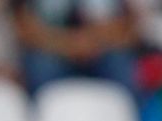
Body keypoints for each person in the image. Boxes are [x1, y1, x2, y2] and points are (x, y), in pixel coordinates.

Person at [11, 0, 141, 94]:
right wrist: (68, 44)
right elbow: (22, 26)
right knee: (41, 67)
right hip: (52, 49)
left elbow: (128, 26)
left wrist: (92, 41)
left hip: (101, 49)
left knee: (123, 66)